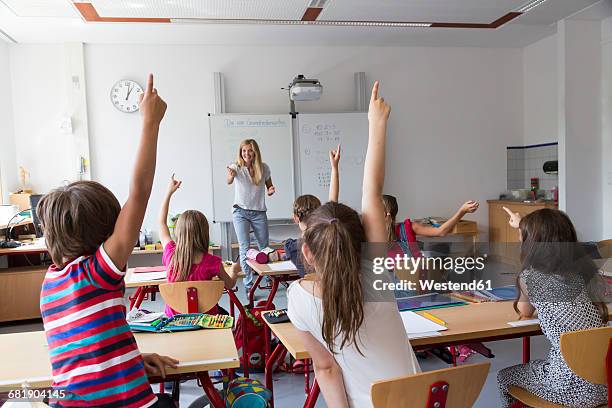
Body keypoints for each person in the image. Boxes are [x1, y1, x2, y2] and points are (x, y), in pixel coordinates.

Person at [38, 74, 172, 407]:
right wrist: (150, 123)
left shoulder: (50, 283)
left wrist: (130, 361)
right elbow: (138, 194)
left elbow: (87, 348)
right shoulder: (96, 272)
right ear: (106, 231)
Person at [286, 82, 420, 407]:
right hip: (425, 397)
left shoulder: (298, 299)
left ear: (307, 251)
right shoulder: (374, 270)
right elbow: (372, 192)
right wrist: (377, 125)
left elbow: (326, 368)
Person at [497, 207, 608, 408]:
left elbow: (525, 312)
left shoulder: (530, 277)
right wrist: (522, 223)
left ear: (530, 242)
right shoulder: (583, 271)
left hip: (567, 388)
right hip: (605, 383)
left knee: (504, 376)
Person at [158, 174, 238, 316]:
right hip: (206, 320)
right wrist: (234, 270)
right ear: (204, 233)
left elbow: (161, 223)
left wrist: (168, 193)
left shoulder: (170, 254)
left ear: (179, 232)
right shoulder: (213, 262)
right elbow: (230, 285)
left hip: (175, 322)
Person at [226, 139, 275, 295]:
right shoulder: (236, 167)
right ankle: (249, 284)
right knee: (245, 247)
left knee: (264, 246)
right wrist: (231, 175)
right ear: (241, 153)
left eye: (250, 150)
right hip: (240, 212)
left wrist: (271, 190)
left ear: (255, 152)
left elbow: (269, 186)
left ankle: (268, 278)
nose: (246, 153)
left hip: (259, 212)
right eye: (244, 151)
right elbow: (228, 180)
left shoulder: (264, 168)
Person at [284, 145, 341, 277]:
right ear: (320, 213)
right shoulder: (329, 238)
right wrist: (334, 168)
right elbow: (333, 201)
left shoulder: (292, 247)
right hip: (335, 288)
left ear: (296, 217)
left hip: (310, 292)